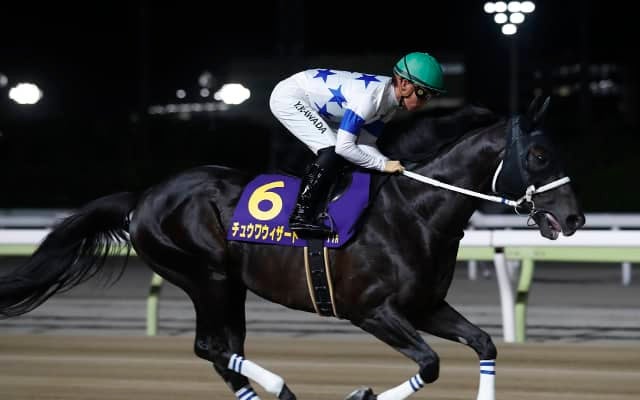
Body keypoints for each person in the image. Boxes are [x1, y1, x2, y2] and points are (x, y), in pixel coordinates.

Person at [269, 51, 446, 237]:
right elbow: (344, 147)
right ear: (403, 84)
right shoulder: (370, 98)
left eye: (430, 96)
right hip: (290, 97)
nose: (424, 102)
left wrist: (389, 163)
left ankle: (324, 207)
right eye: (422, 93)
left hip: (310, 99)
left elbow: (364, 144)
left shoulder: (389, 106)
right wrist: (382, 165)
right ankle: (300, 217)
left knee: (345, 157)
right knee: (332, 152)